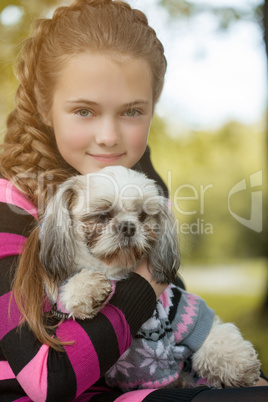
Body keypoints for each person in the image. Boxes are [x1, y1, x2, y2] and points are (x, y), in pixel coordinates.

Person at [0, 0, 267, 400]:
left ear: (152, 110)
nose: (109, 136)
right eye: (85, 110)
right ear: (45, 106)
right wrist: (146, 281)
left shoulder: (146, 190)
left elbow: (168, 325)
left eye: (131, 111)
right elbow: (48, 381)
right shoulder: (9, 206)